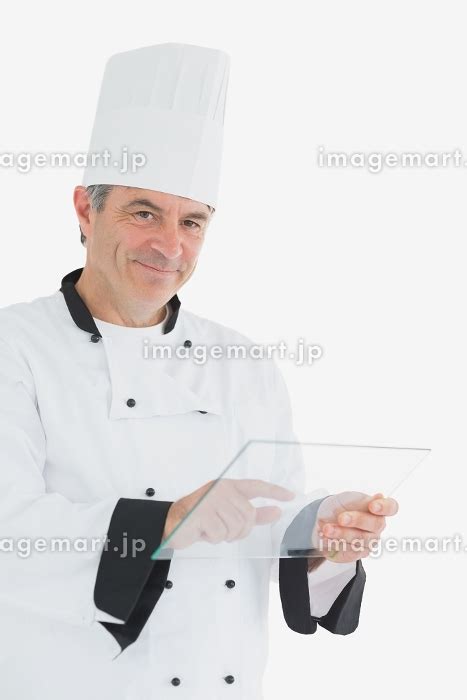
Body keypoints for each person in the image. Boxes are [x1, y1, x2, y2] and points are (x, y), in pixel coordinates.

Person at [0, 43, 398, 699]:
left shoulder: (243, 363)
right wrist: (166, 521)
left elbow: (271, 531)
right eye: (143, 212)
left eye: (192, 222)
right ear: (84, 209)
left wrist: (324, 540)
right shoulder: (15, 347)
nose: (169, 246)